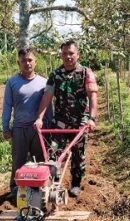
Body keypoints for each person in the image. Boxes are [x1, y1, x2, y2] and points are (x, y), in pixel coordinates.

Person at [34, 39, 99, 198]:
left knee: (78, 154)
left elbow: (93, 96)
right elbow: (47, 96)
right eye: (64, 54)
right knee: (54, 152)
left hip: (80, 122)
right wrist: (39, 118)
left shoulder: (86, 73)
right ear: (61, 56)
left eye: (71, 53)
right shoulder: (55, 75)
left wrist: (92, 118)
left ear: (78, 55)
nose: (68, 56)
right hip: (60, 122)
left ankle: (76, 184)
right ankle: (54, 182)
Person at [1, 47, 52, 199]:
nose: (27, 63)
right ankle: (16, 190)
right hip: (19, 129)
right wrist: (5, 127)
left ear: (35, 62)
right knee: (18, 160)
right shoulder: (12, 82)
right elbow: (7, 106)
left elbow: (49, 107)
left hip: (38, 130)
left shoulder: (44, 82)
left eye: (30, 60)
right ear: (18, 63)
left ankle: (41, 188)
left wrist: (49, 126)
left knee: (41, 161)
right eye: (23, 61)